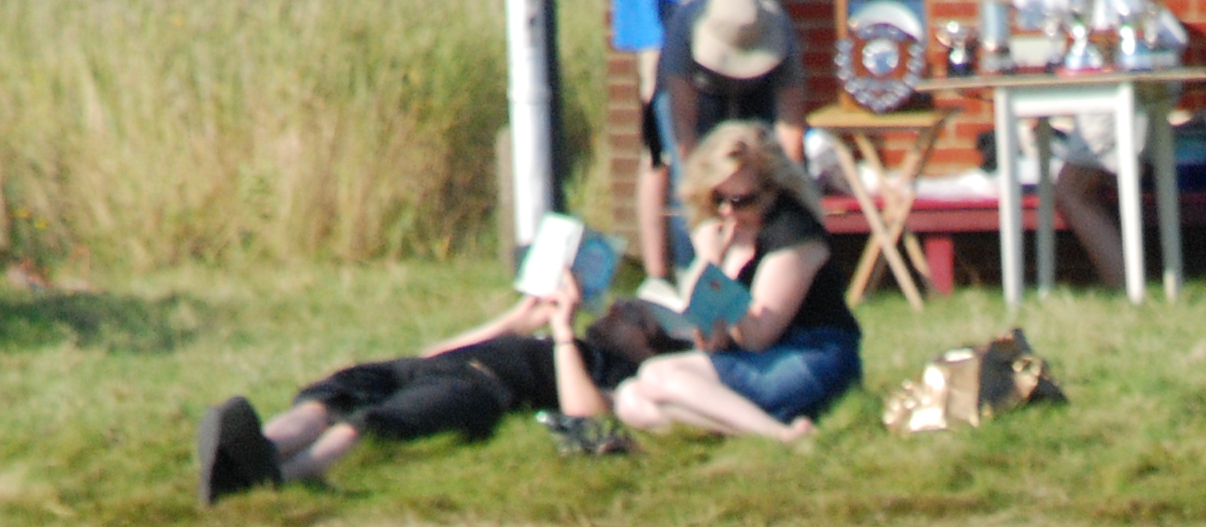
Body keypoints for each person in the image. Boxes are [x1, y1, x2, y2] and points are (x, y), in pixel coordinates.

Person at [194, 282, 636, 501]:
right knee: (330, 396)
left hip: (480, 388)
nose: (616, 310)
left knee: (371, 422)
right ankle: (260, 448)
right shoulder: (544, 340)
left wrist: (563, 333)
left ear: (645, 340)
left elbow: (589, 414)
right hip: (424, 365)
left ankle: (274, 480)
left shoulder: (610, 365)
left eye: (632, 316)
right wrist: (512, 323)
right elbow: (437, 352)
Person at [579, 122, 863, 445]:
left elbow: (758, 335)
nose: (728, 211)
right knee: (632, 398)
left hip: (811, 356)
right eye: (718, 199)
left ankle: (779, 435)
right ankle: (755, 428)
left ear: (772, 189)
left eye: (742, 200)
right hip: (760, 358)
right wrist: (712, 334)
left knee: (658, 375)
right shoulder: (732, 231)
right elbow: (729, 329)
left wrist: (713, 265)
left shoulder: (793, 235)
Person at [638, 0, 815, 297]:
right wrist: (704, 207)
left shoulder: (778, 27)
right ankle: (684, 279)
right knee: (685, 182)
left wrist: (786, 195)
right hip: (694, 94)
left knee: (757, 180)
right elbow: (682, 125)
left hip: (757, 95)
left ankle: (765, 276)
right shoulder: (685, 27)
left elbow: (790, 125)